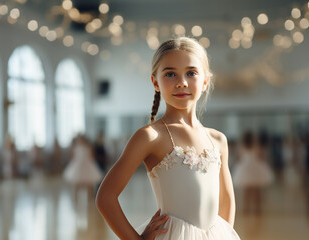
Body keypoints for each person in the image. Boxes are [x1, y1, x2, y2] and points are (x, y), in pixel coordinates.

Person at [96, 37, 240, 239]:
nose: (182, 82)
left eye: (191, 73)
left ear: (205, 81)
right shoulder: (150, 136)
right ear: (155, 82)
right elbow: (105, 197)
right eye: (170, 74)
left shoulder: (217, 139)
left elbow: (225, 200)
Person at [233, 130, 273, 215]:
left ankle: (246, 209)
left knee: (247, 191)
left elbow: (239, 157)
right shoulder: (256, 146)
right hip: (255, 168)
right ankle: (257, 209)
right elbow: (261, 156)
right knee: (256, 191)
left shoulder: (242, 147)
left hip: (245, 169)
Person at [63, 134, 103, 201]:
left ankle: (90, 199)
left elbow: (92, 157)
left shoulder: (88, 147)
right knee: (77, 184)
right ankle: (76, 199)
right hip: (78, 167)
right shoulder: (75, 147)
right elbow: (73, 157)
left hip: (87, 166)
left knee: (89, 184)